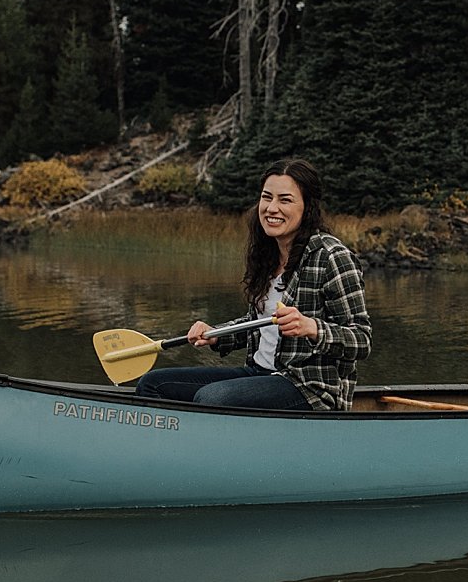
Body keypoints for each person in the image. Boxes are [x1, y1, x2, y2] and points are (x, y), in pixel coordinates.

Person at [136, 157, 371, 411]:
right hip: (259, 373)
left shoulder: (332, 256)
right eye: (266, 197)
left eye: (285, 200)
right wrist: (215, 334)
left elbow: (361, 340)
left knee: (213, 399)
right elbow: (257, 323)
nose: (271, 208)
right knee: (153, 384)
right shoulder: (268, 254)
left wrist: (311, 327)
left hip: (308, 386)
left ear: (307, 207)